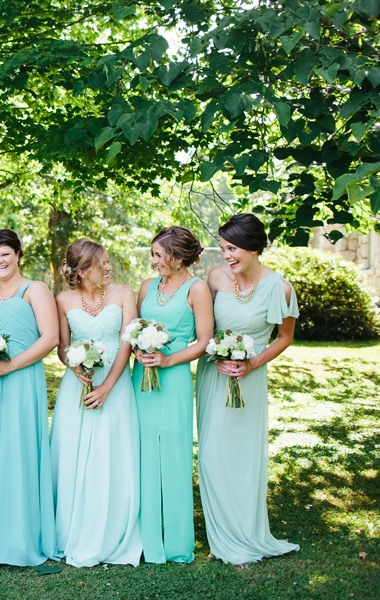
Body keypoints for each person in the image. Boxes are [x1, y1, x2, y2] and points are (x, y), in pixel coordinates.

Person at [197, 213, 300, 564]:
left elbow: (284, 337)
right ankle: (220, 533)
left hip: (250, 379)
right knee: (211, 456)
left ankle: (244, 530)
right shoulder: (214, 278)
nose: (226, 256)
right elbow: (202, 326)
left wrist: (251, 363)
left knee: (242, 457)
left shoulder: (279, 287)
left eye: (233, 248)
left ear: (254, 248)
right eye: (224, 248)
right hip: (214, 375)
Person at [49, 238, 142, 567]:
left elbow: (127, 342)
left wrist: (107, 388)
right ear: (82, 270)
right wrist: (72, 364)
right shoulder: (62, 299)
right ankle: (72, 529)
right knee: (72, 457)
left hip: (115, 386)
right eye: (102, 263)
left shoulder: (123, 294)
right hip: (77, 386)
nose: (108, 268)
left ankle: (112, 529)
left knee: (111, 454)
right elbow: (62, 346)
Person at [0, 229, 57, 566]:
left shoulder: (34, 290)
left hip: (21, 380)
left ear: (18, 255)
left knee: (19, 451)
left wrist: (10, 367)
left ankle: (19, 537)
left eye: (4, 254)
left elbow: (49, 338)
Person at [133, 226, 213, 564]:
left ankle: (178, 541)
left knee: (175, 454)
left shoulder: (197, 288)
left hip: (175, 377)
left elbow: (203, 341)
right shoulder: (147, 286)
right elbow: (136, 327)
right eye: (152, 254)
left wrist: (167, 359)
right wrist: (139, 350)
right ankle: (144, 537)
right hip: (142, 377)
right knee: (142, 454)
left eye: (158, 255)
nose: (153, 261)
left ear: (178, 257)